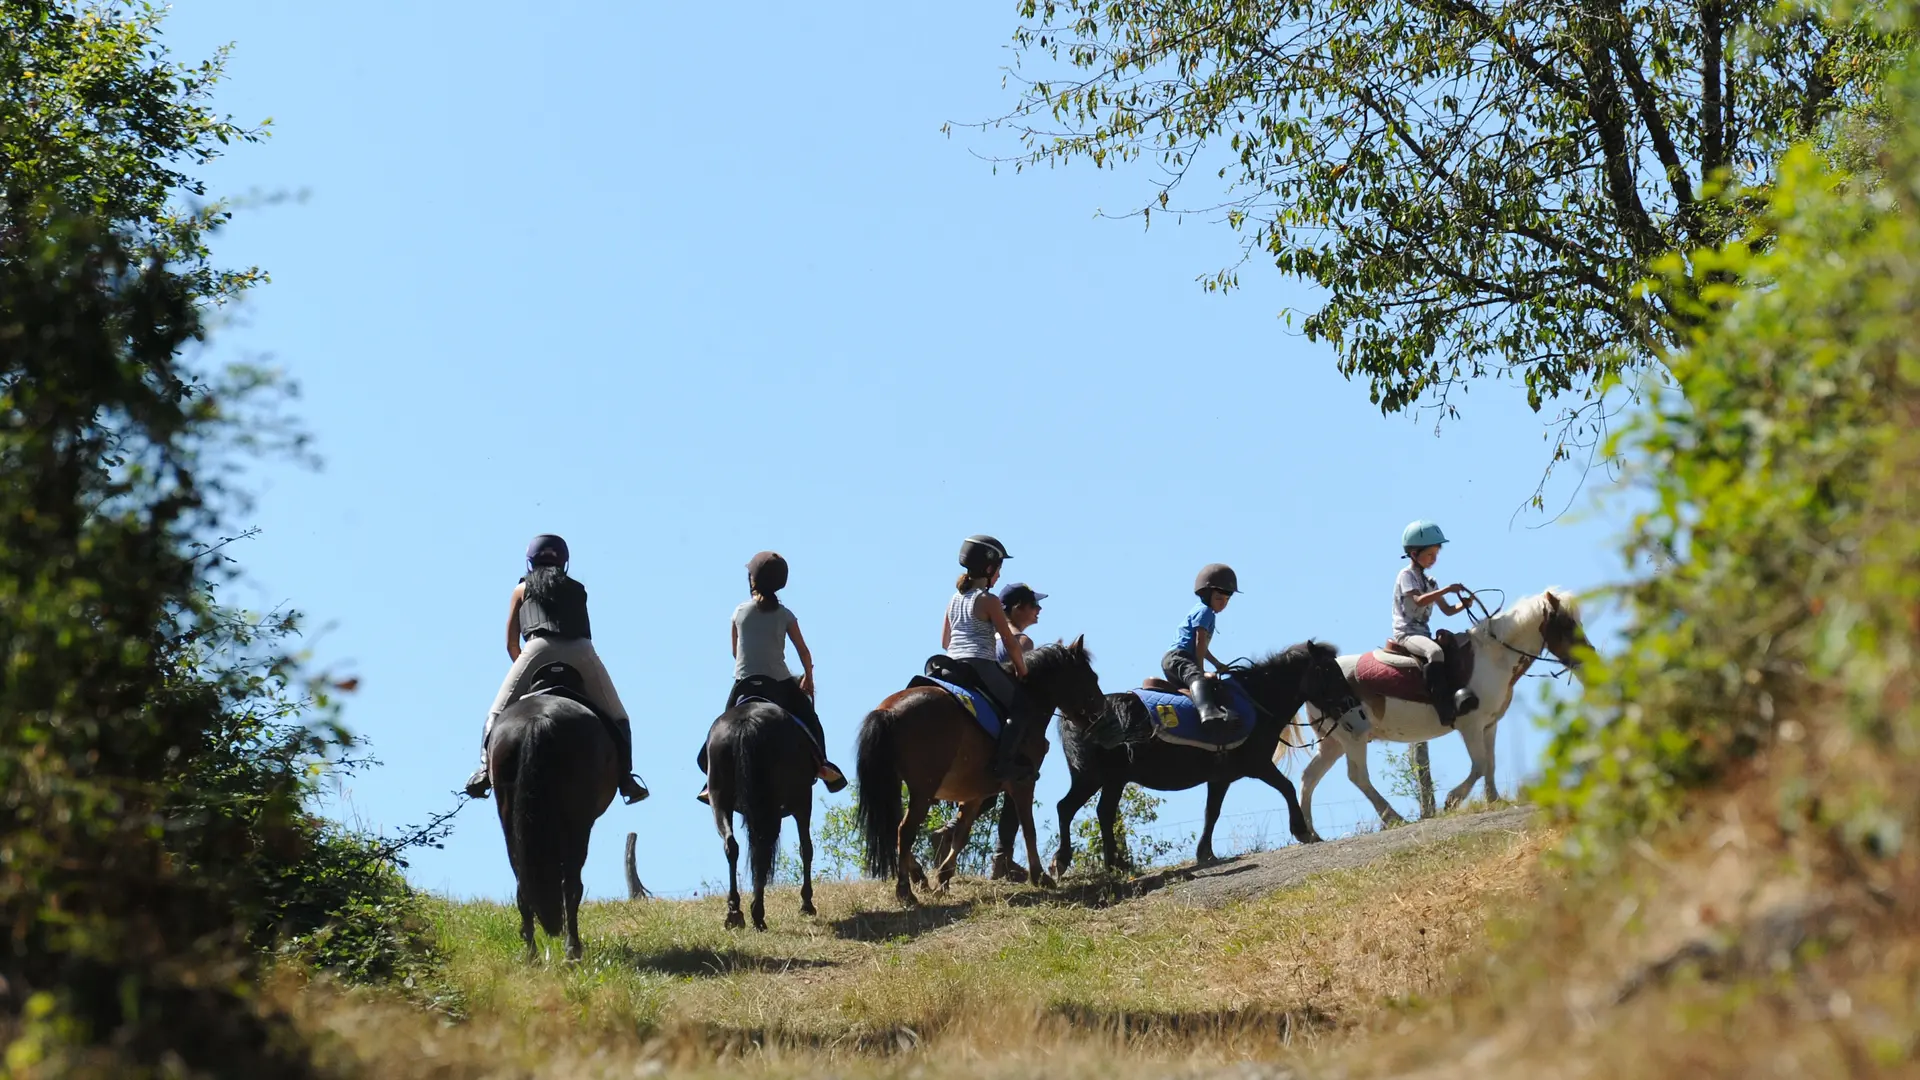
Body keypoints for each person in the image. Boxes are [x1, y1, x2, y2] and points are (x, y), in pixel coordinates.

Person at [465, 534, 647, 803]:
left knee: (496, 710)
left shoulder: (521, 590)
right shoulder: (578, 589)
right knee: (618, 715)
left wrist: (525, 671)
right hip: (582, 652)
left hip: (537, 649)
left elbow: (510, 643)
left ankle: (483, 771)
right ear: (564, 562)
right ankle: (626, 779)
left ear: (530, 562)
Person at [696, 551, 847, 804]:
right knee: (811, 720)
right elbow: (804, 652)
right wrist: (808, 678)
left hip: (743, 682)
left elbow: (735, 652)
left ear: (752, 581)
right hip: (779, 683)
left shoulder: (738, 612)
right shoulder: (785, 614)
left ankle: (711, 780)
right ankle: (822, 764)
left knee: (719, 728)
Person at [943, 534, 1037, 781]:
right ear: (989, 567)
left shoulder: (953, 599)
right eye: (998, 569)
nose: (999, 576)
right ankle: (1002, 765)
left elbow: (945, 642)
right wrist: (1022, 670)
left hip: (950, 664)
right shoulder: (988, 600)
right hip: (979, 664)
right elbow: (1009, 641)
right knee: (1024, 708)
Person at [1394, 520, 1480, 727]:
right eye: (1430, 554)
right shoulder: (1405, 575)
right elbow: (1419, 601)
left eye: (1436, 554)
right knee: (1435, 653)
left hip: (1423, 633)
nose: (1434, 559)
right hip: (1406, 634)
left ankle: (1460, 693)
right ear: (1414, 553)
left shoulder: (1430, 582)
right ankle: (1443, 707)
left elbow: (1448, 611)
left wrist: (1463, 604)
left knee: (1462, 641)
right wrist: (1447, 590)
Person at [1164, 564, 1239, 731]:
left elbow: (1202, 648)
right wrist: (1200, 669)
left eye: (1227, 600)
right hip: (1179, 658)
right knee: (1198, 678)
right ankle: (1208, 714)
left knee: (1208, 681)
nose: (1223, 604)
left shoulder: (1207, 613)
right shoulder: (1205, 611)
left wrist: (1217, 664)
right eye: (1219, 598)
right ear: (1207, 595)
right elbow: (1199, 640)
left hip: (1179, 659)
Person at [994, 582, 1047, 662]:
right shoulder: (1022, 641)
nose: (1039, 608)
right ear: (1016, 608)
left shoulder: (989, 640)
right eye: (1034, 603)